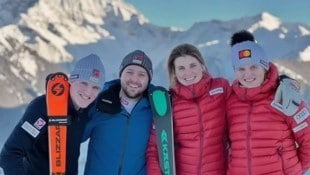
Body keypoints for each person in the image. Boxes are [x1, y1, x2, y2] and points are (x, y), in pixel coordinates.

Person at [0, 54, 105, 175]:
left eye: (95, 87)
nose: (88, 92)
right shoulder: (43, 107)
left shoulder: (87, 110)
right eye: (84, 83)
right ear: (72, 80)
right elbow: (9, 155)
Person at [226, 31, 310, 175]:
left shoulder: (285, 95)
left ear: (264, 66)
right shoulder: (230, 100)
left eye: (254, 67)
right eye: (241, 68)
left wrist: (294, 171)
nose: (248, 74)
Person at [147, 43, 230, 175]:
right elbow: (154, 148)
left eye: (193, 65)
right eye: (181, 68)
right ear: (174, 72)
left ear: (202, 66)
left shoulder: (221, 88)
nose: (188, 73)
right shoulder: (168, 102)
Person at [82, 50, 154, 175]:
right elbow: (75, 136)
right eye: (129, 72)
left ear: (149, 79)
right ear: (121, 73)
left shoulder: (156, 110)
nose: (134, 79)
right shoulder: (99, 102)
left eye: (142, 74)